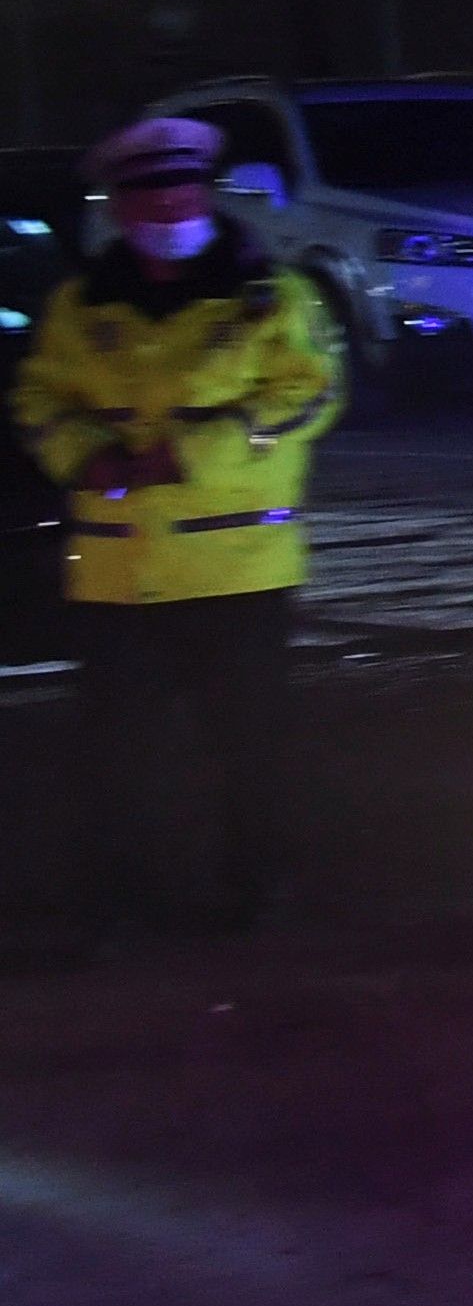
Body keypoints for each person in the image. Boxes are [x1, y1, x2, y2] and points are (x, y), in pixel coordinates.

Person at [12, 117, 339, 944]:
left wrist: (189, 453)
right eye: (147, 192)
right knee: (117, 756)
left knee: (250, 750)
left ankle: (262, 890)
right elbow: (40, 400)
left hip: (237, 568)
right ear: (120, 207)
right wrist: (81, 457)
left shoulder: (272, 295)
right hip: (117, 573)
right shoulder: (79, 307)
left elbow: (309, 396)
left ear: (204, 190)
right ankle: (123, 901)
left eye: (180, 186)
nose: (167, 203)